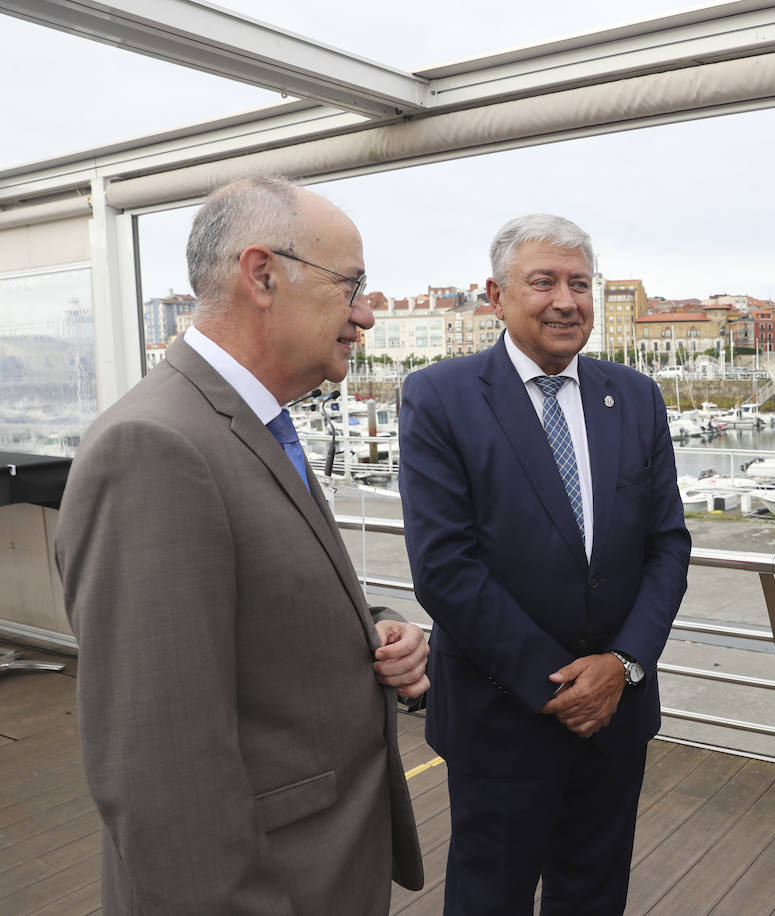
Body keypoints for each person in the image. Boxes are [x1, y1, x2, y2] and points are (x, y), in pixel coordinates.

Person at [54, 175, 428, 914]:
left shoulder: (248, 424)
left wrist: (371, 628)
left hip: (319, 866)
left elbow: (259, 603)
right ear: (262, 275)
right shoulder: (153, 447)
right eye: (351, 284)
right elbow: (160, 771)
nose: (365, 315)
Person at [398, 213, 691, 915]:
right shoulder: (439, 397)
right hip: (502, 719)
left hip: (616, 712)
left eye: (580, 284)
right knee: (489, 898)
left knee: (594, 893)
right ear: (496, 297)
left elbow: (668, 545)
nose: (567, 300)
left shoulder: (637, 397)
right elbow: (445, 566)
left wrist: (620, 666)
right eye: (544, 282)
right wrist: (559, 684)